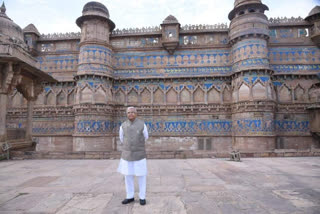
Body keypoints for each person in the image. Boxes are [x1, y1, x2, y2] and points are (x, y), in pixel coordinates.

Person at [117, 106, 148, 206]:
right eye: (129, 112)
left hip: (139, 154)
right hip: (127, 155)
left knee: (141, 176)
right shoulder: (123, 126)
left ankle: (142, 197)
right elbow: (122, 138)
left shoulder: (142, 124)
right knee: (128, 176)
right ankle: (130, 196)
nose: (131, 114)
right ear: (126, 114)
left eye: (133, 112)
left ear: (136, 113)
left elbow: (146, 137)